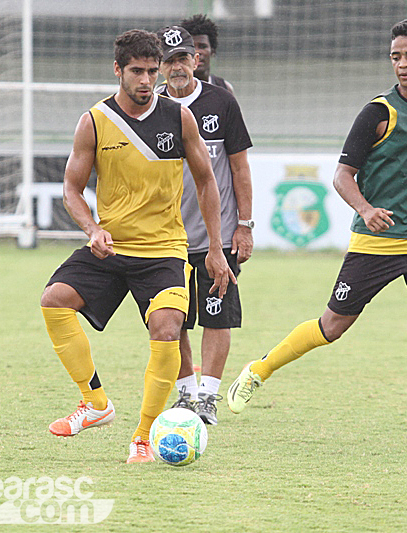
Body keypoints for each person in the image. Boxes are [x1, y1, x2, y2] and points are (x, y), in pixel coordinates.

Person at [226, 19, 407, 450]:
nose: (402, 65)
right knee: (332, 327)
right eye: (395, 57)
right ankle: (259, 369)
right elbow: (341, 176)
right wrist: (366, 209)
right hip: (375, 244)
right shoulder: (378, 113)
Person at [40, 29, 235, 464]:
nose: (147, 80)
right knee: (54, 300)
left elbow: (206, 180)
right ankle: (95, 404)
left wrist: (217, 248)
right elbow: (72, 189)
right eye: (137, 71)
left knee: (166, 327)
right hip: (112, 248)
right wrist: (92, 228)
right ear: (118, 70)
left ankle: (144, 436)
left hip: (165, 250)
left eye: (153, 70)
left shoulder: (179, 117)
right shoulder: (94, 121)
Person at [155, 25, 253, 425]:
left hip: (218, 234)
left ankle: (208, 397)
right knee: (171, 318)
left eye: (183, 58)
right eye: (169, 61)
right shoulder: (150, 108)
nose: (177, 67)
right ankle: (185, 394)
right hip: (165, 236)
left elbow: (239, 167)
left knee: (217, 314)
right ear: (158, 67)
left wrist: (243, 225)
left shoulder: (221, 102)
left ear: (196, 60)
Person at [179, 14, 234, 94]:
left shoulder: (225, 88)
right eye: (192, 47)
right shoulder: (168, 91)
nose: (197, 52)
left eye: (202, 46)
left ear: (212, 50)